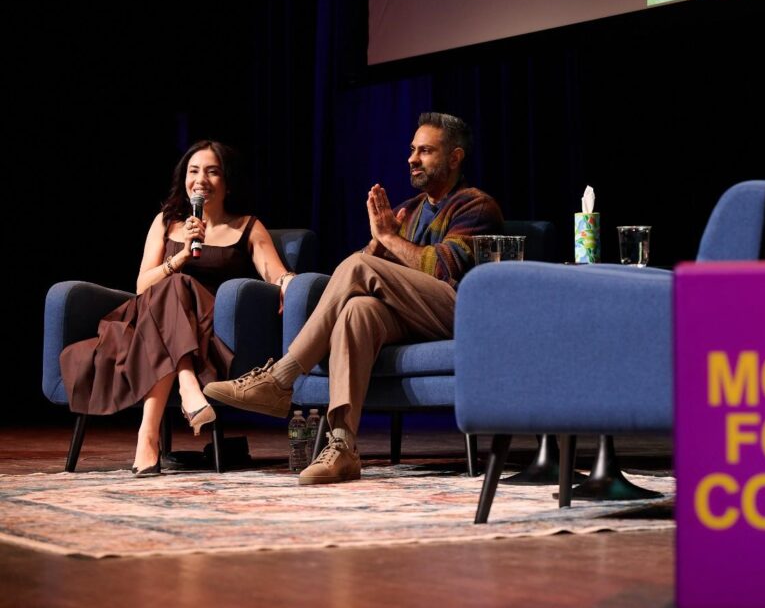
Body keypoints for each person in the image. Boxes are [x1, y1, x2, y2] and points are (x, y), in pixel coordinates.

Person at [203, 112, 503, 485]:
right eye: (412, 150)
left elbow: (443, 269)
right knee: (357, 311)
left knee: (359, 267)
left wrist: (388, 238)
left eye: (425, 151)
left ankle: (281, 379)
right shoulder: (407, 211)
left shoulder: (475, 206)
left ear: (455, 157)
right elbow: (366, 275)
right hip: (409, 315)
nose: (412, 158)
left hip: (459, 311)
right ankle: (343, 445)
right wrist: (379, 241)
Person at [59, 141, 295, 476]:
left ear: (227, 182)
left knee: (178, 285)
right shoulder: (166, 222)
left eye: (212, 171)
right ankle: (186, 386)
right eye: (194, 171)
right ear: (184, 179)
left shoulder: (247, 227)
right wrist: (181, 257)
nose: (201, 179)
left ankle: (148, 434)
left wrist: (287, 281)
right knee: (173, 282)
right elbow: (142, 286)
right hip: (149, 323)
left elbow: (275, 273)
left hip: (207, 332)